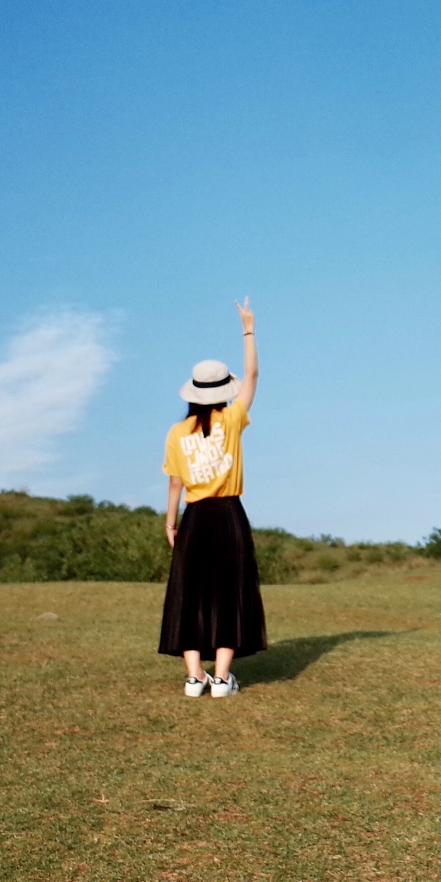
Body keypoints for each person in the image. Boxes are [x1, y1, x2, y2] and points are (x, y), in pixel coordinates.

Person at [158, 299, 266, 697]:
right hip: (229, 515)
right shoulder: (233, 419)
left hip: (195, 517)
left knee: (189, 592)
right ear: (223, 391)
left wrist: (171, 522)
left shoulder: (176, 432)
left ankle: (193, 677)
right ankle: (221, 678)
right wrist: (248, 329)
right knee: (229, 591)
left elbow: (174, 484)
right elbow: (253, 374)